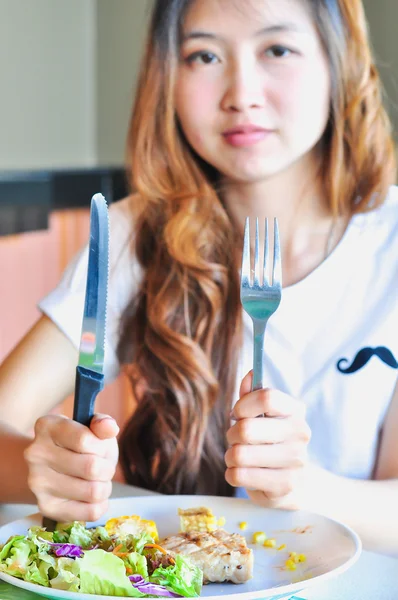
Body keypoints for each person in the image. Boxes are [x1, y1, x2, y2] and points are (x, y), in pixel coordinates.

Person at [0, 0, 397, 555]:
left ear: (340, 62)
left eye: (277, 49)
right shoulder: (132, 236)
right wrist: (45, 469)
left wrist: (304, 486)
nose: (242, 94)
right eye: (205, 55)